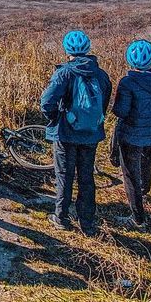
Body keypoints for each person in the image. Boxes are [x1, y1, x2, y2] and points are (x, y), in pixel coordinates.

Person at [39, 30, 112, 236]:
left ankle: (61, 217)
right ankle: (87, 222)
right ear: (88, 49)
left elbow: (46, 102)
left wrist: (56, 118)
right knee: (86, 176)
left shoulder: (64, 73)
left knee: (64, 175)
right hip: (91, 134)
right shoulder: (101, 75)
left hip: (65, 133)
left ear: (67, 50)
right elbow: (103, 104)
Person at [111, 40, 151, 229]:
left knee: (130, 175)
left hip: (131, 135)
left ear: (129, 60)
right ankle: (144, 193)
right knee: (146, 165)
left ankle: (138, 218)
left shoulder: (128, 82)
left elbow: (120, 111)